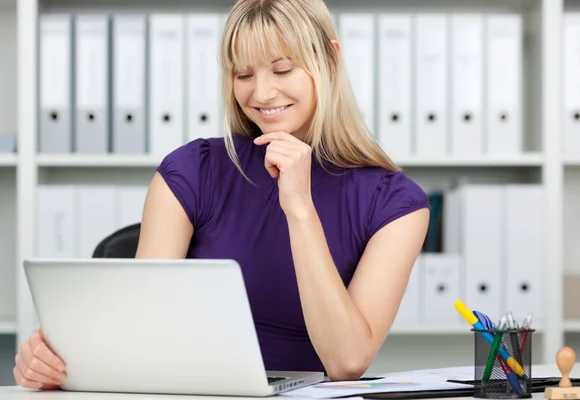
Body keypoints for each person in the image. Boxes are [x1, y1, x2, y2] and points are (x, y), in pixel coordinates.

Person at [13, 0, 430, 390]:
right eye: (243, 75)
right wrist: (51, 359)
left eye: (282, 70)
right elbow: (140, 330)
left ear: (330, 60)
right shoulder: (192, 171)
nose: (261, 93)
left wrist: (300, 208)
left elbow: (346, 362)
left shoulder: (395, 204)